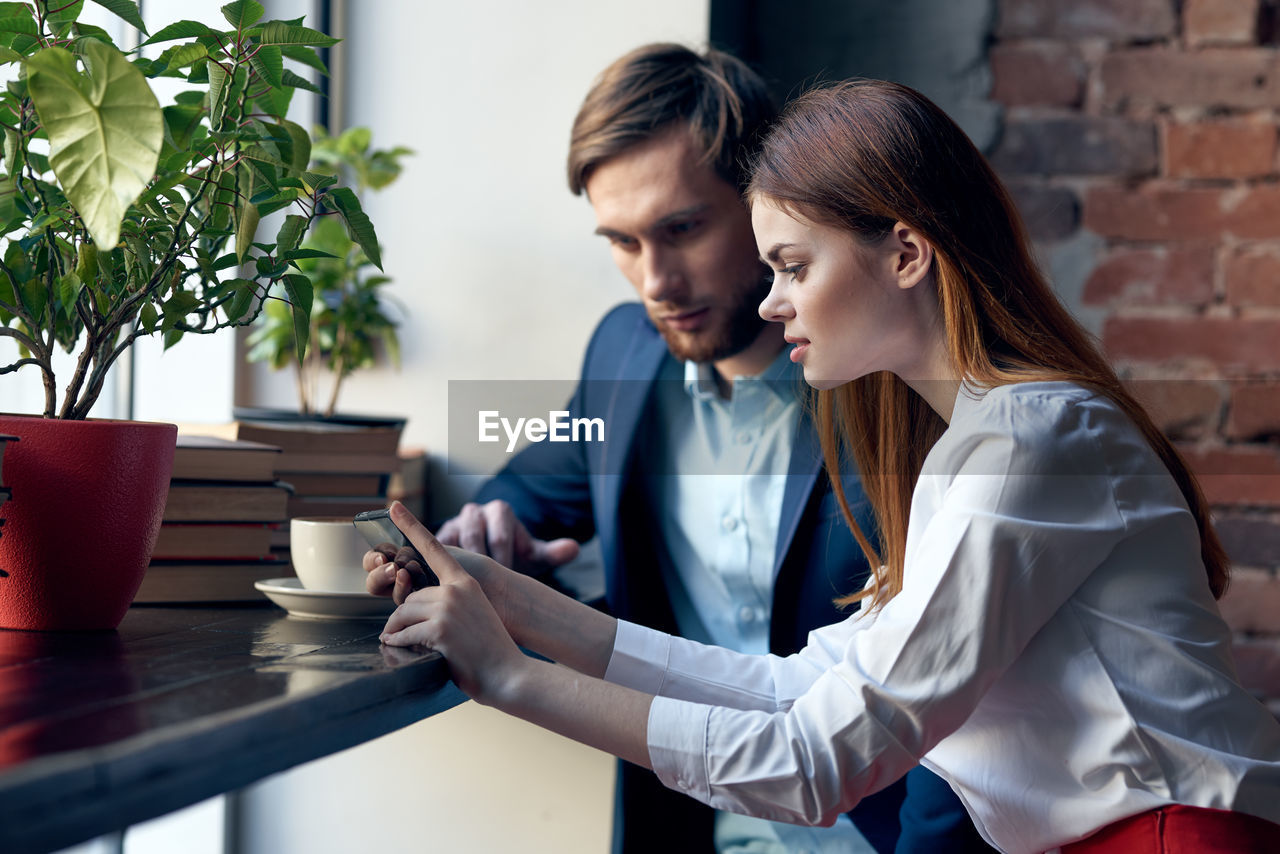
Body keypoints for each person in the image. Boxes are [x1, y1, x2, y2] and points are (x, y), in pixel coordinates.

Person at [371, 76, 1280, 853]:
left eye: (794, 267)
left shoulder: (1029, 444)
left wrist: (512, 676)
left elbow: (822, 762)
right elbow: (800, 688)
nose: (772, 304)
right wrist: (517, 601)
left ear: (907, 254)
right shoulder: (981, 441)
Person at [375, 44, 983, 853]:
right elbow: (534, 491)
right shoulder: (623, 358)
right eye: (622, 242)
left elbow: (964, 712)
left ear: (770, 207)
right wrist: (487, 545)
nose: (654, 279)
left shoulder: (910, 387)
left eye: (682, 228)